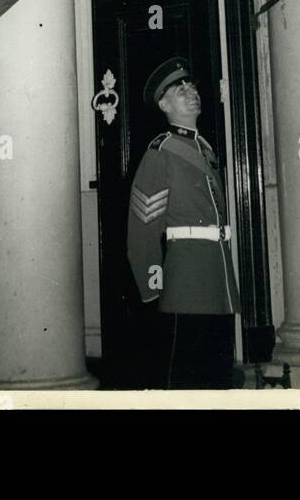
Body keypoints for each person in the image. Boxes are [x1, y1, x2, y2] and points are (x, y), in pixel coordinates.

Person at [126, 57, 239, 389]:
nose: (191, 92)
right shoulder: (160, 152)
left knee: (217, 378)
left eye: (191, 85)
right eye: (180, 89)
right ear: (164, 104)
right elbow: (143, 229)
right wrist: (153, 290)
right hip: (184, 284)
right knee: (185, 381)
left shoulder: (203, 149)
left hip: (217, 278)